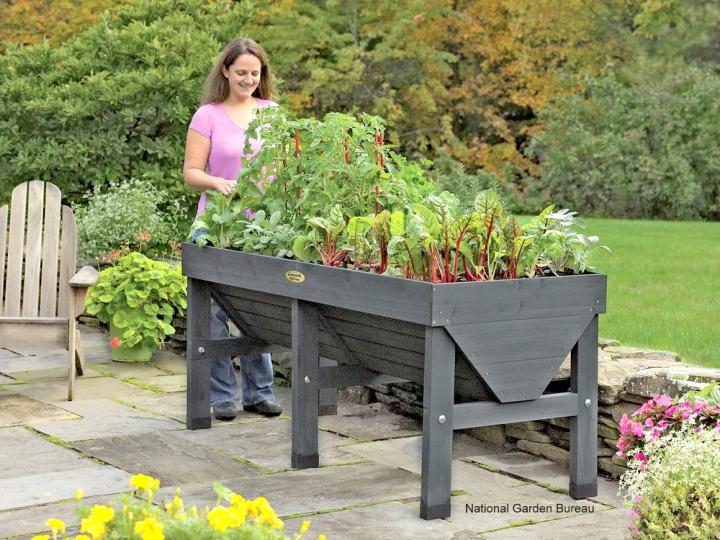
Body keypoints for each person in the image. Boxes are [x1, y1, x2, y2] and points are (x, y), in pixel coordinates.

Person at [183, 37, 282, 420]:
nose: (248, 79)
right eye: (241, 72)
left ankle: (260, 392)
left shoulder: (272, 113)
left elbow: (284, 167)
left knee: (261, 309)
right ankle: (221, 395)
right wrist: (216, 182)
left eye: (255, 74)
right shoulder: (207, 115)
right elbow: (191, 173)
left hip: (261, 229)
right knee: (213, 312)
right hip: (216, 225)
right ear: (225, 70)